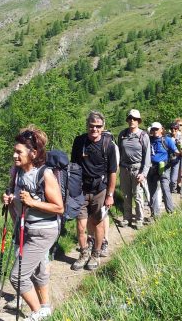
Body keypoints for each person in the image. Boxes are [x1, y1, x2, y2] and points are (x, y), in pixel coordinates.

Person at [2, 125, 63, 321]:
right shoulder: (17, 172)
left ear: (33, 153)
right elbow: (18, 202)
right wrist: (10, 200)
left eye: (19, 152)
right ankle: (45, 308)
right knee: (37, 270)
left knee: (17, 277)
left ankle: (38, 313)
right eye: (14, 151)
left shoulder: (45, 174)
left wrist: (32, 202)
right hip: (26, 228)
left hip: (43, 231)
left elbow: (59, 207)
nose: (14, 155)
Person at [70, 111, 117, 271]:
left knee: (97, 223)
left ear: (103, 127)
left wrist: (110, 195)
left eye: (98, 126)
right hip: (81, 190)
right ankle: (84, 253)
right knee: (80, 224)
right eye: (92, 126)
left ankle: (95, 254)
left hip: (100, 190)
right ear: (87, 125)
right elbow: (74, 167)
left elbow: (112, 172)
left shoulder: (108, 144)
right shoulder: (79, 142)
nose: (94, 129)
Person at [118, 109, 151, 229]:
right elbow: (120, 151)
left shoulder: (143, 136)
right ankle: (127, 218)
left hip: (138, 169)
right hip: (124, 169)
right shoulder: (122, 134)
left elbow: (147, 157)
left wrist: (144, 173)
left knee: (137, 195)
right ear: (127, 120)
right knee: (126, 195)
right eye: (130, 118)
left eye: (135, 119)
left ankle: (139, 219)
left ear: (138, 121)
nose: (132, 120)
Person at [147, 122, 182, 218]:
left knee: (165, 189)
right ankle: (155, 215)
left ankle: (171, 212)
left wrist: (180, 153)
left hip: (164, 167)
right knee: (153, 191)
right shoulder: (148, 140)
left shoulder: (167, 140)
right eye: (153, 129)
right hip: (151, 168)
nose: (154, 131)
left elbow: (176, 152)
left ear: (161, 129)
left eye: (156, 129)